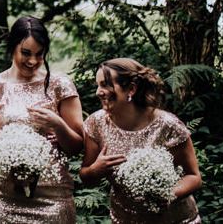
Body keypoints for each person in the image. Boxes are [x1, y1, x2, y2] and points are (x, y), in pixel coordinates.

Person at [0, 16, 83, 223]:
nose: (32, 61)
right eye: (26, 53)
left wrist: (57, 124)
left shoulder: (60, 85)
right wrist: (2, 164)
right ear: (13, 47)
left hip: (52, 199)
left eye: (39, 54)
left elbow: (76, 147)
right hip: (2, 198)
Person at [80, 58, 202, 223]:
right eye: (98, 85)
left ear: (131, 89)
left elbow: (194, 176)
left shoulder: (168, 125)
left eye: (105, 85)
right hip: (124, 219)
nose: (98, 92)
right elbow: (86, 176)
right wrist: (95, 170)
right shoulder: (97, 123)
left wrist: (168, 195)